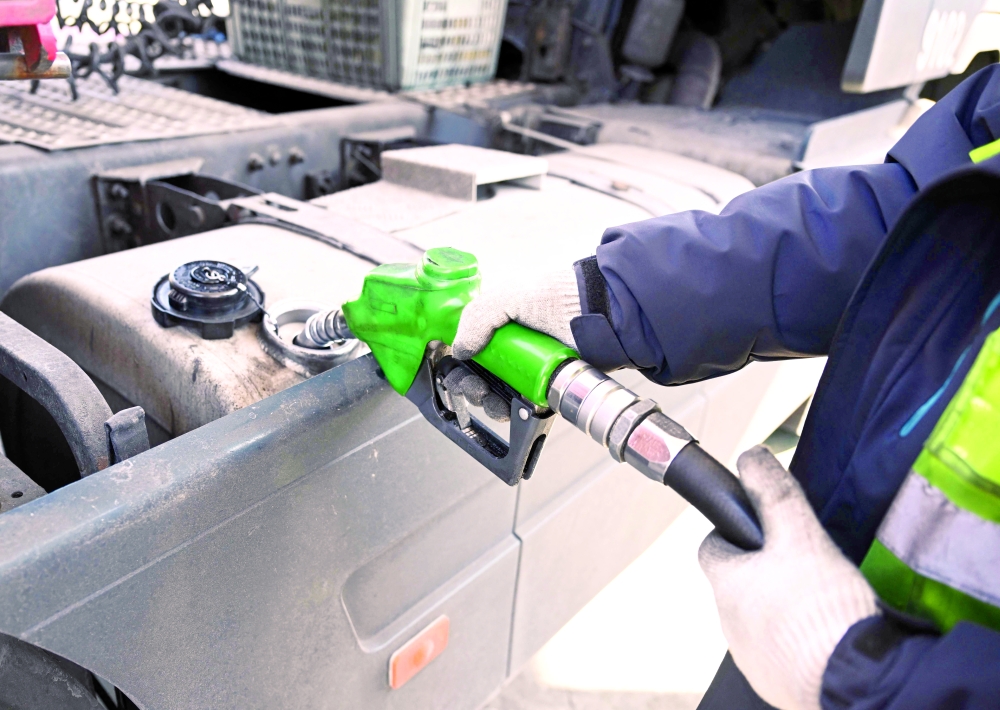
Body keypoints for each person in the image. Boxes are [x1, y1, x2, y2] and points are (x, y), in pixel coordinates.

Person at [452, 64, 1000, 710]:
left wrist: (857, 669)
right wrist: (611, 296)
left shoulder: (841, 667)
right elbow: (914, 213)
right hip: (798, 651)